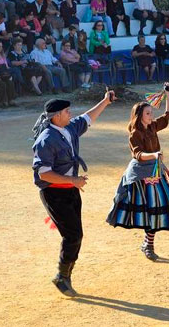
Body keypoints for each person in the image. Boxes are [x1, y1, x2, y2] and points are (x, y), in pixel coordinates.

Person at [32, 92, 114, 296]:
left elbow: (87, 118)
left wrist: (105, 101)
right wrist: (72, 180)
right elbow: (43, 173)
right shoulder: (46, 139)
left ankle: (65, 275)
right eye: (67, 111)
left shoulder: (67, 127)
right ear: (57, 115)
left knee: (75, 235)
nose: (71, 114)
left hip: (71, 191)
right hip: (54, 193)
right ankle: (62, 276)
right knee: (73, 235)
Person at [107, 85, 169, 261]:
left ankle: (148, 244)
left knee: (155, 210)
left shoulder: (152, 127)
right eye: (148, 113)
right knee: (150, 210)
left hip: (155, 172)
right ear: (139, 115)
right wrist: (154, 155)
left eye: (151, 112)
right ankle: (148, 245)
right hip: (141, 175)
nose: (151, 115)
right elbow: (138, 155)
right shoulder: (135, 133)